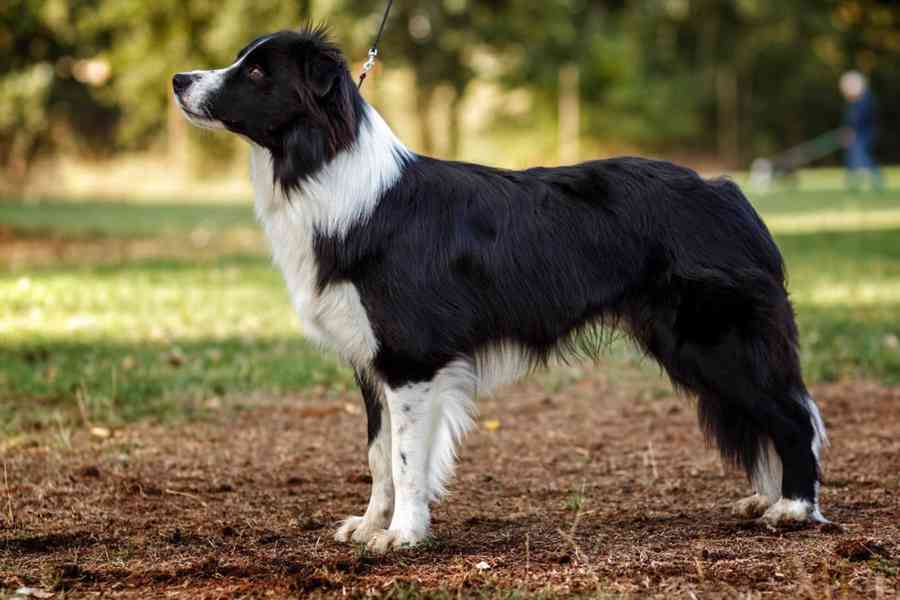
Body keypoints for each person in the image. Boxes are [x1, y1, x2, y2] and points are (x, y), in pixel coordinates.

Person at [840, 71, 883, 192]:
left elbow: (860, 119)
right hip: (858, 133)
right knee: (857, 156)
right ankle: (854, 183)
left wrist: (851, 131)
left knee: (861, 156)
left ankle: (873, 181)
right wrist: (847, 131)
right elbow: (849, 120)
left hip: (864, 133)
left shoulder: (865, 100)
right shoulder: (854, 101)